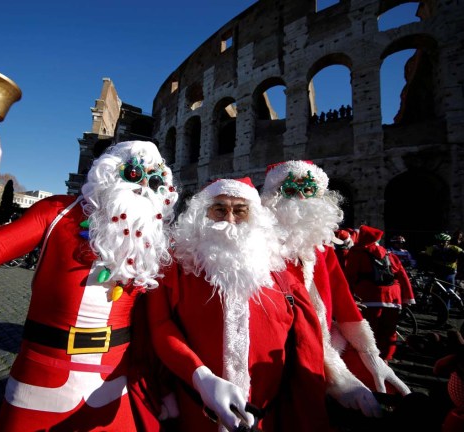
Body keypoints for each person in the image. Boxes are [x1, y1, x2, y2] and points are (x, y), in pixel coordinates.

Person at [0, 116, 180, 431]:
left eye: (153, 181)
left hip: (112, 386)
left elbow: (154, 325)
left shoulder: (154, 243)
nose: (141, 186)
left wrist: (162, 386)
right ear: (109, 172)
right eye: (134, 173)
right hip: (39, 382)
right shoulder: (57, 212)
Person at [146, 177, 342, 432]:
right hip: (196, 411)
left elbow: (307, 341)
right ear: (202, 214)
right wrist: (200, 376)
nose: (229, 219)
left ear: (254, 216)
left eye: (240, 211)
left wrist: (341, 380)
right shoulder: (177, 267)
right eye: (220, 209)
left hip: (267, 413)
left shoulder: (281, 271)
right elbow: (161, 325)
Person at [261, 160, 410, 397]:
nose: (300, 198)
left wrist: (368, 351)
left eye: (308, 190)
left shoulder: (324, 248)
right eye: (290, 190)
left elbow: (341, 297)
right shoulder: (258, 243)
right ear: (273, 196)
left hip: (322, 340)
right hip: (273, 341)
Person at [344, 225, 416, 361]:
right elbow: (402, 275)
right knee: (389, 330)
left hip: (368, 296)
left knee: (369, 330)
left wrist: (348, 294)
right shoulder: (389, 254)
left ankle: (368, 359)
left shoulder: (357, 252)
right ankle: (386, 357)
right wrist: (408, 298)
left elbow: (350, 275)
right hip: (393, 298)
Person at [423, 232, 464, 297]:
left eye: (444, 242)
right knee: (433, 292)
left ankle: (450, 304)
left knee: (449, 293)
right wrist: (424, 270)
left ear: (448, 242)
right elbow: (424, 260)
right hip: (437, 273)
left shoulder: (455, 248)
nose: (441, 244)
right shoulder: (432, 249)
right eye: (439, 242)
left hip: (450, 273)